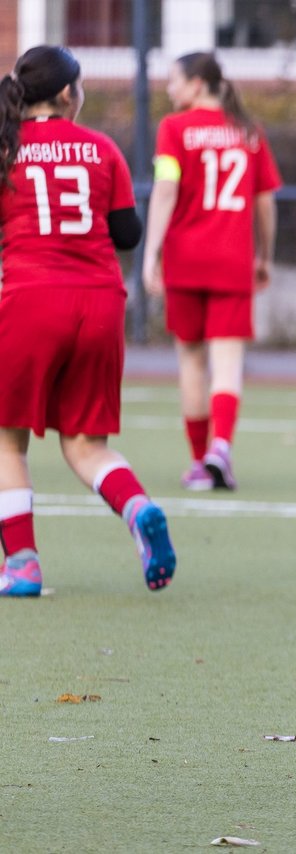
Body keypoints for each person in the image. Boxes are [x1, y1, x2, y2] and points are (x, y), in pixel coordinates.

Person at [0, 45, 176, 597]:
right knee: (85, 444)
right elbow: (127, 234)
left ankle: (22, 564)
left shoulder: (6, 148)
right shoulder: (101, 148)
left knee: (7, 444)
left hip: (29, 301)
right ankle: (139, 509)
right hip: (99, 304)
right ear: (66, 95)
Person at [142, 52, 282, 491]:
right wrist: (265, 254)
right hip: (232, 260)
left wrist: (151, 253)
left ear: (198, 83)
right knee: (227, 362)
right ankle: (222, 447)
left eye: (174, 80)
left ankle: (200, 461)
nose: (169, 89)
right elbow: (265, 202)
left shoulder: (173, 129)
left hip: (184, 261)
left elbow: (165, 191)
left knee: (191, 360)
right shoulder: (249, 132)